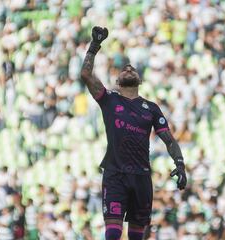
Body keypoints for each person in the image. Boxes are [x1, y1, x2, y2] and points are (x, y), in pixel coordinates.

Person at [80, 26, 187, 240]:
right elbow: (85, 74)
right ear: (118, 81)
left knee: (137, 236)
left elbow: (168, 139)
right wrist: (94, 45)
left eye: (132, 69)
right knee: (113, 233)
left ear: (139, 80)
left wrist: (180, 164)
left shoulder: (151, 108)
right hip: (115, 174)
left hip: (141, 177)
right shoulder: (108, 99)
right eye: (124, 69)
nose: (128, 68)